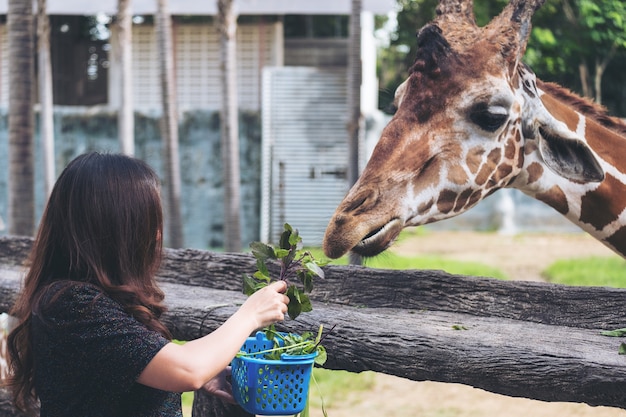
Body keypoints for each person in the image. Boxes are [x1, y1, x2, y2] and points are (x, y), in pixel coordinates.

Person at [5, 152, 289, 417]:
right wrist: (249, 315)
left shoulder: (88, 297)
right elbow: (188, 370)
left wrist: (204, 369)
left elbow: (125, 371)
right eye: (149, 219)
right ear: (120, 229)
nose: (156, 233)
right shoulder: (71, 303)